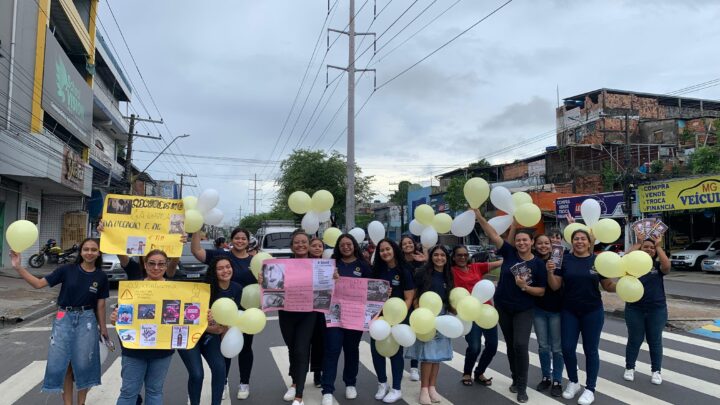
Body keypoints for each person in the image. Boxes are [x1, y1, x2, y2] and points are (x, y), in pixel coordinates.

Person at [10, 239, 109, 405]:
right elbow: (38, 284)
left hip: (87, 320)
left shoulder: (101, 276)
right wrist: (18, 267)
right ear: (81, 252)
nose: (89, 253)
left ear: (99, 253)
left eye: (94, 249)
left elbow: (101, 304)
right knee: (65, 365)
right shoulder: (67, 270)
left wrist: (103, 328)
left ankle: (81, 403)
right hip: (64, 318)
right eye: (86, 249)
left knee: (83, 366)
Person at [473, 209, 546, 403]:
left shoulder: (538, 264)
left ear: (532, 243)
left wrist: (525, 287)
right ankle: (515, 378)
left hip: (524, 309)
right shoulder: (509, 253)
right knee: (511, 346)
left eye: (526, 240)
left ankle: (522, 386)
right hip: (503, 307)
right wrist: (479, 216)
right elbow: (492, 233)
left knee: (521, 345)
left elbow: (542, 291)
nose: (522, 243)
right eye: (519, 240)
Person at [547, 229, 616, 405]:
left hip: (592, 311)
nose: (579, 241)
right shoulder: (565, 260)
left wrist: (623, 282)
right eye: (576, 239)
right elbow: (555, 286)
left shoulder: (597, 261)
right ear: (571, 242)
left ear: (589, 242)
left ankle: (590, 388)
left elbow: (608, 286)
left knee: (590, 350)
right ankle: (573, 382)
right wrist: (550, 272)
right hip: (569, 310)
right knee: (568, 348)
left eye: (583, 239)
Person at [192, 228, 255, 400]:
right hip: (219, 313)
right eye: (237, 238)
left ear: (248, 241)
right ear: (231, 239)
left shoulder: (255, 260)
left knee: (245, 348)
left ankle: (244, 383)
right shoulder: (220, 256)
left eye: (244, 238)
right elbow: (197, 251)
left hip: (244, 311)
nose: (240, 241)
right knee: (223, 350)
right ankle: (223, 382)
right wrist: (196, 227)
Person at [111, 249, 180, 405]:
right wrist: (115, 318)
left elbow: (184, 315)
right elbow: (120, 317)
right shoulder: (134, 287)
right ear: (145, 264)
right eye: (152, 263)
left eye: (161, 264)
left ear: (166, 265)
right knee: (129, 392)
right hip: (134, 349)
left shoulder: (176, 290)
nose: (156, 267)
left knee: (154, 391)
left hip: (162, 350)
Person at [260, 229, 316, 405]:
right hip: (286, 313)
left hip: (308, 314)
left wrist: (333, 278)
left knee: (301, 349)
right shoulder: (280, 266)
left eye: (303, 242)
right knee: (292, 349)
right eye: (296, 242)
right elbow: (272, 288)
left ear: (308, 245)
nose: (300, 245)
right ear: (292, 246)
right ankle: (294, 381)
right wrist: (264, 280)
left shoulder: (319, 265)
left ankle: (299, 395)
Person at [178, 257, 241, 405]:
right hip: (190, 334)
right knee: (197, 374)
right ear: (214, 271)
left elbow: (231, 319)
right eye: (220, 268)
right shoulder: (204, 289)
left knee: (220, 370)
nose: (225, 271)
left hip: (211, 336)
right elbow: (186, 317)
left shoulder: (237, 289)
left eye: (228, 266)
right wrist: (209, 327)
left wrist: (222, 330)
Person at [321, 234, 372, 405]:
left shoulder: (363, 266)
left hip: (355, 317)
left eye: (349, 244)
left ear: (354, 245)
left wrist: (383, 293)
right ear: (338, 247)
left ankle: (350, 383)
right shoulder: (331, 265)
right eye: (342, 245)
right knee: (332, 350)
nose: (346, 247)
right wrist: (330, 279)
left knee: (352, 350)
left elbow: (372, 288)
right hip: (334, 316)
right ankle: (327, 389)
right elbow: (320, 287)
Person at [405, 245, 455, 405]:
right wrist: (420, 311)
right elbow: (415, 294)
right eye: (436, 255)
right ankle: (424, 389)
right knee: (427, 356)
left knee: (437, 357)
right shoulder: (423, 273)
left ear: (446, 258)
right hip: (426, 317)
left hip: (443, 317)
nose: (439, 258)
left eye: (443, 255)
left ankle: (432, 387)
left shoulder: (448, 275)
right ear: (431, 257)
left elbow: (449, 298)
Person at [371, 239, 416, 403]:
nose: (385, 253)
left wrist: (398, 317)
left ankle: (396, 388)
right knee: (376, 351)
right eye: (381, 250)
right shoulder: (377, 270)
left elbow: (409, 297)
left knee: (395, 353)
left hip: (397, 318)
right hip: (379, 317)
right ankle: (382, 384)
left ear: (394, 249)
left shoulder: (404, 270)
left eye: (387, 249)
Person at [451, 245, 502, 388]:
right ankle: (467, 373)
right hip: (468, 313)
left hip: (486, 311)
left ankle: (479, 372)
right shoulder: (450, 271)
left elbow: (499, 263)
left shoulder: (476, 267)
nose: (462, 257)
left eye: (465, 255)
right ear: (453, 257)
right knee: (474, 347)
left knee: (492, 346)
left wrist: (515, 254)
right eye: (459, 255)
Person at [623, 234, 670, 385]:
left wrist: (658, 246)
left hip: (656, 309)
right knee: (634, 340)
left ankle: (656, 371)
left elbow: (667, 266)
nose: (649, 249)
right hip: (634, 308)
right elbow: (625, 258)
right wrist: (639, 243)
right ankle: (630, 368)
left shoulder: (657, 267)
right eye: (646, 247)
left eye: (651, 248)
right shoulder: (630, 266)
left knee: (655, 340)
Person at [530, 234, 564, 397]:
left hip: (556, 310)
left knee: (557, 348)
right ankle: (546, 377)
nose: (543, 246)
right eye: (540, 243)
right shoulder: (533, 261)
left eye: (546, 243)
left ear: (552, 245)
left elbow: (556, 287)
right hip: (538, 310)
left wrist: (550, 271)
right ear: (534, 245)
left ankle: (557, 380)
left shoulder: (558, 261)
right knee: (543, 347)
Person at [400, 235, 426, 381]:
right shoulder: (399, 262)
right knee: (401, 332)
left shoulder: (420, 260)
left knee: (415, 334)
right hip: (402, 301)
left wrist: (424, 262)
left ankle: (414, 367)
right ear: (401, 247)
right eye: (404, 244)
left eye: (410, 242)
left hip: (419, 301)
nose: (408, 245)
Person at [309, 236, 326, 388]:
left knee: (320, 341)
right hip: (305, 308)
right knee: (304, 342)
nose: (316, 248)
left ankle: (318, 373)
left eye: (319, 246)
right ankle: (297, 376)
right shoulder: (301, 264)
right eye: (313, 245)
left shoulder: (330, 264)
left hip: (323, 308)